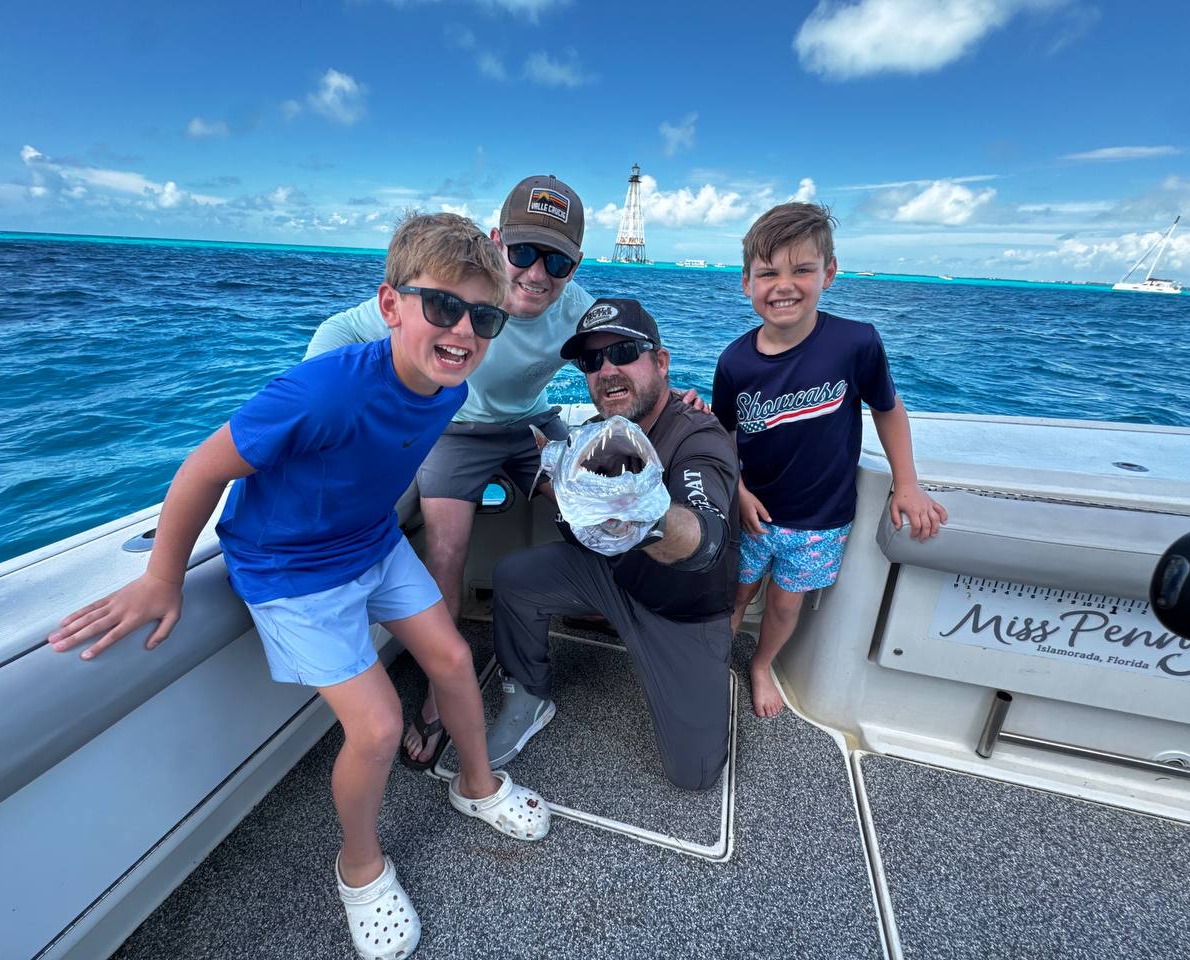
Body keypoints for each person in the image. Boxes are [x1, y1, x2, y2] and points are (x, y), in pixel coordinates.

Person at [47, 213, 551, 960]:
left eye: (485, 317)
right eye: (444, 307)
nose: (464, 331)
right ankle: (359, 866)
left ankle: (475, 784)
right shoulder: (322, 392)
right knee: (378, 727)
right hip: (290, 569)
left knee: (450, 654)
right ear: (390, 306)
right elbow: (200, 470)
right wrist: (161, 578)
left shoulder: (451, 387)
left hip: (371, 542)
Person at [307, 175, 595, 768]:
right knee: (446, 548)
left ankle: (595, 619)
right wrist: (319, 410)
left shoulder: (577, 310)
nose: (536, 274)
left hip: (533, 424)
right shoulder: (460, 290)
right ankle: (442, 692)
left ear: (575, 266)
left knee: (597, 506)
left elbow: (634, 352)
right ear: (496, 242)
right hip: (457, 430)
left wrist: (677, 400)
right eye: (522, 253)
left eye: (557, 261)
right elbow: (343, 329)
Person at [486, 298, 739, 791]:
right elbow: (551, 479)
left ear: (660, 362)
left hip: (680, 608)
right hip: (610, 575)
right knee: (513, 577)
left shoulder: (699, 438)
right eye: (591, 360)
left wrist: (649, 515)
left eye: (623, 351)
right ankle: (528, 694)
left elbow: (703, 534)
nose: (606, 370)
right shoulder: (593, 436)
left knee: (695, 775)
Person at [710, 202, 947, 718]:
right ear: (747, 282)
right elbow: (725, 432)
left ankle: (761, 663)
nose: (784, 285)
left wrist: (906, 484)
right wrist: (738, 490)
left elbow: (887, 409)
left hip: (821, 520)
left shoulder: (854, 343)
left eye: (802, 269)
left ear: (829, 274)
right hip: (753, 513)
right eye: (768, 272)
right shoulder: (733, 361)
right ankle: (712, 659)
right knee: (736, 594)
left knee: (785, 604)